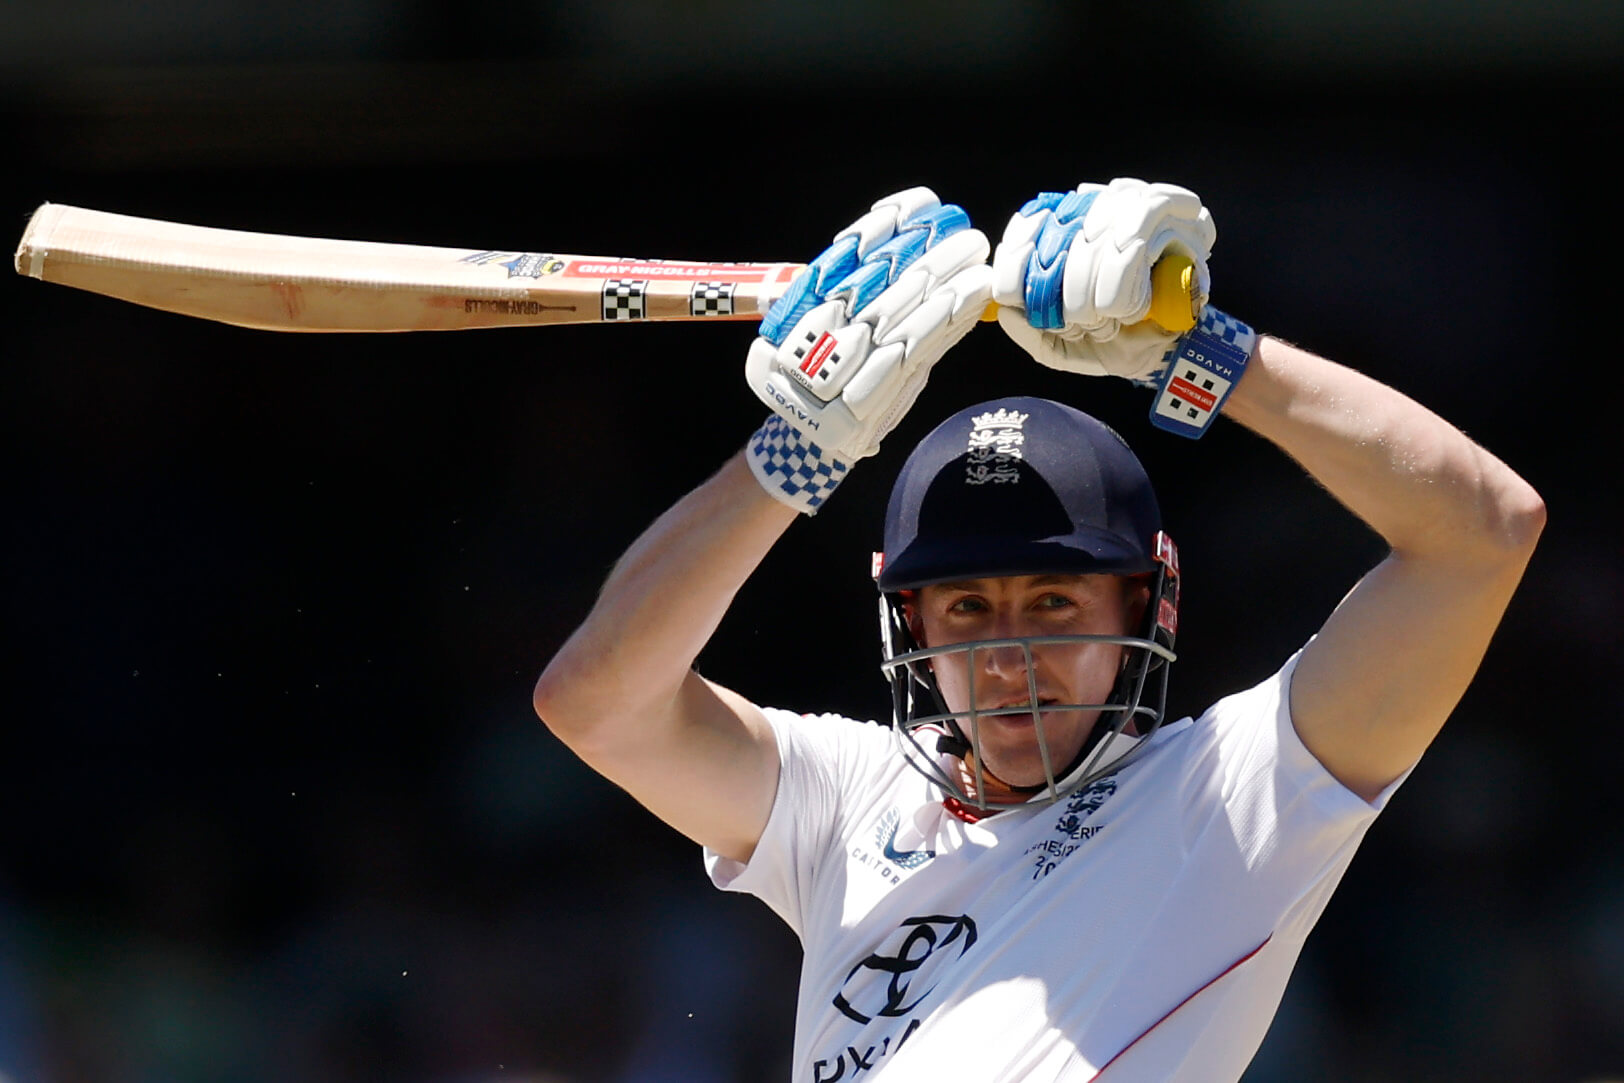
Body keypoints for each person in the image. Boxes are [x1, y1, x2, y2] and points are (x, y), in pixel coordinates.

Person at [532, 182, 1545, 1081]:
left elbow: (1481, 535)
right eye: (966, 607)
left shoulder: (1234, 801)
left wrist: (1198, 352)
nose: (1007, 655)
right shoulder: (843, 800)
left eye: (1054, 602)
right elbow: (596, 703)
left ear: (1145, 603)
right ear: (906, 617)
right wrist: (797, 448)